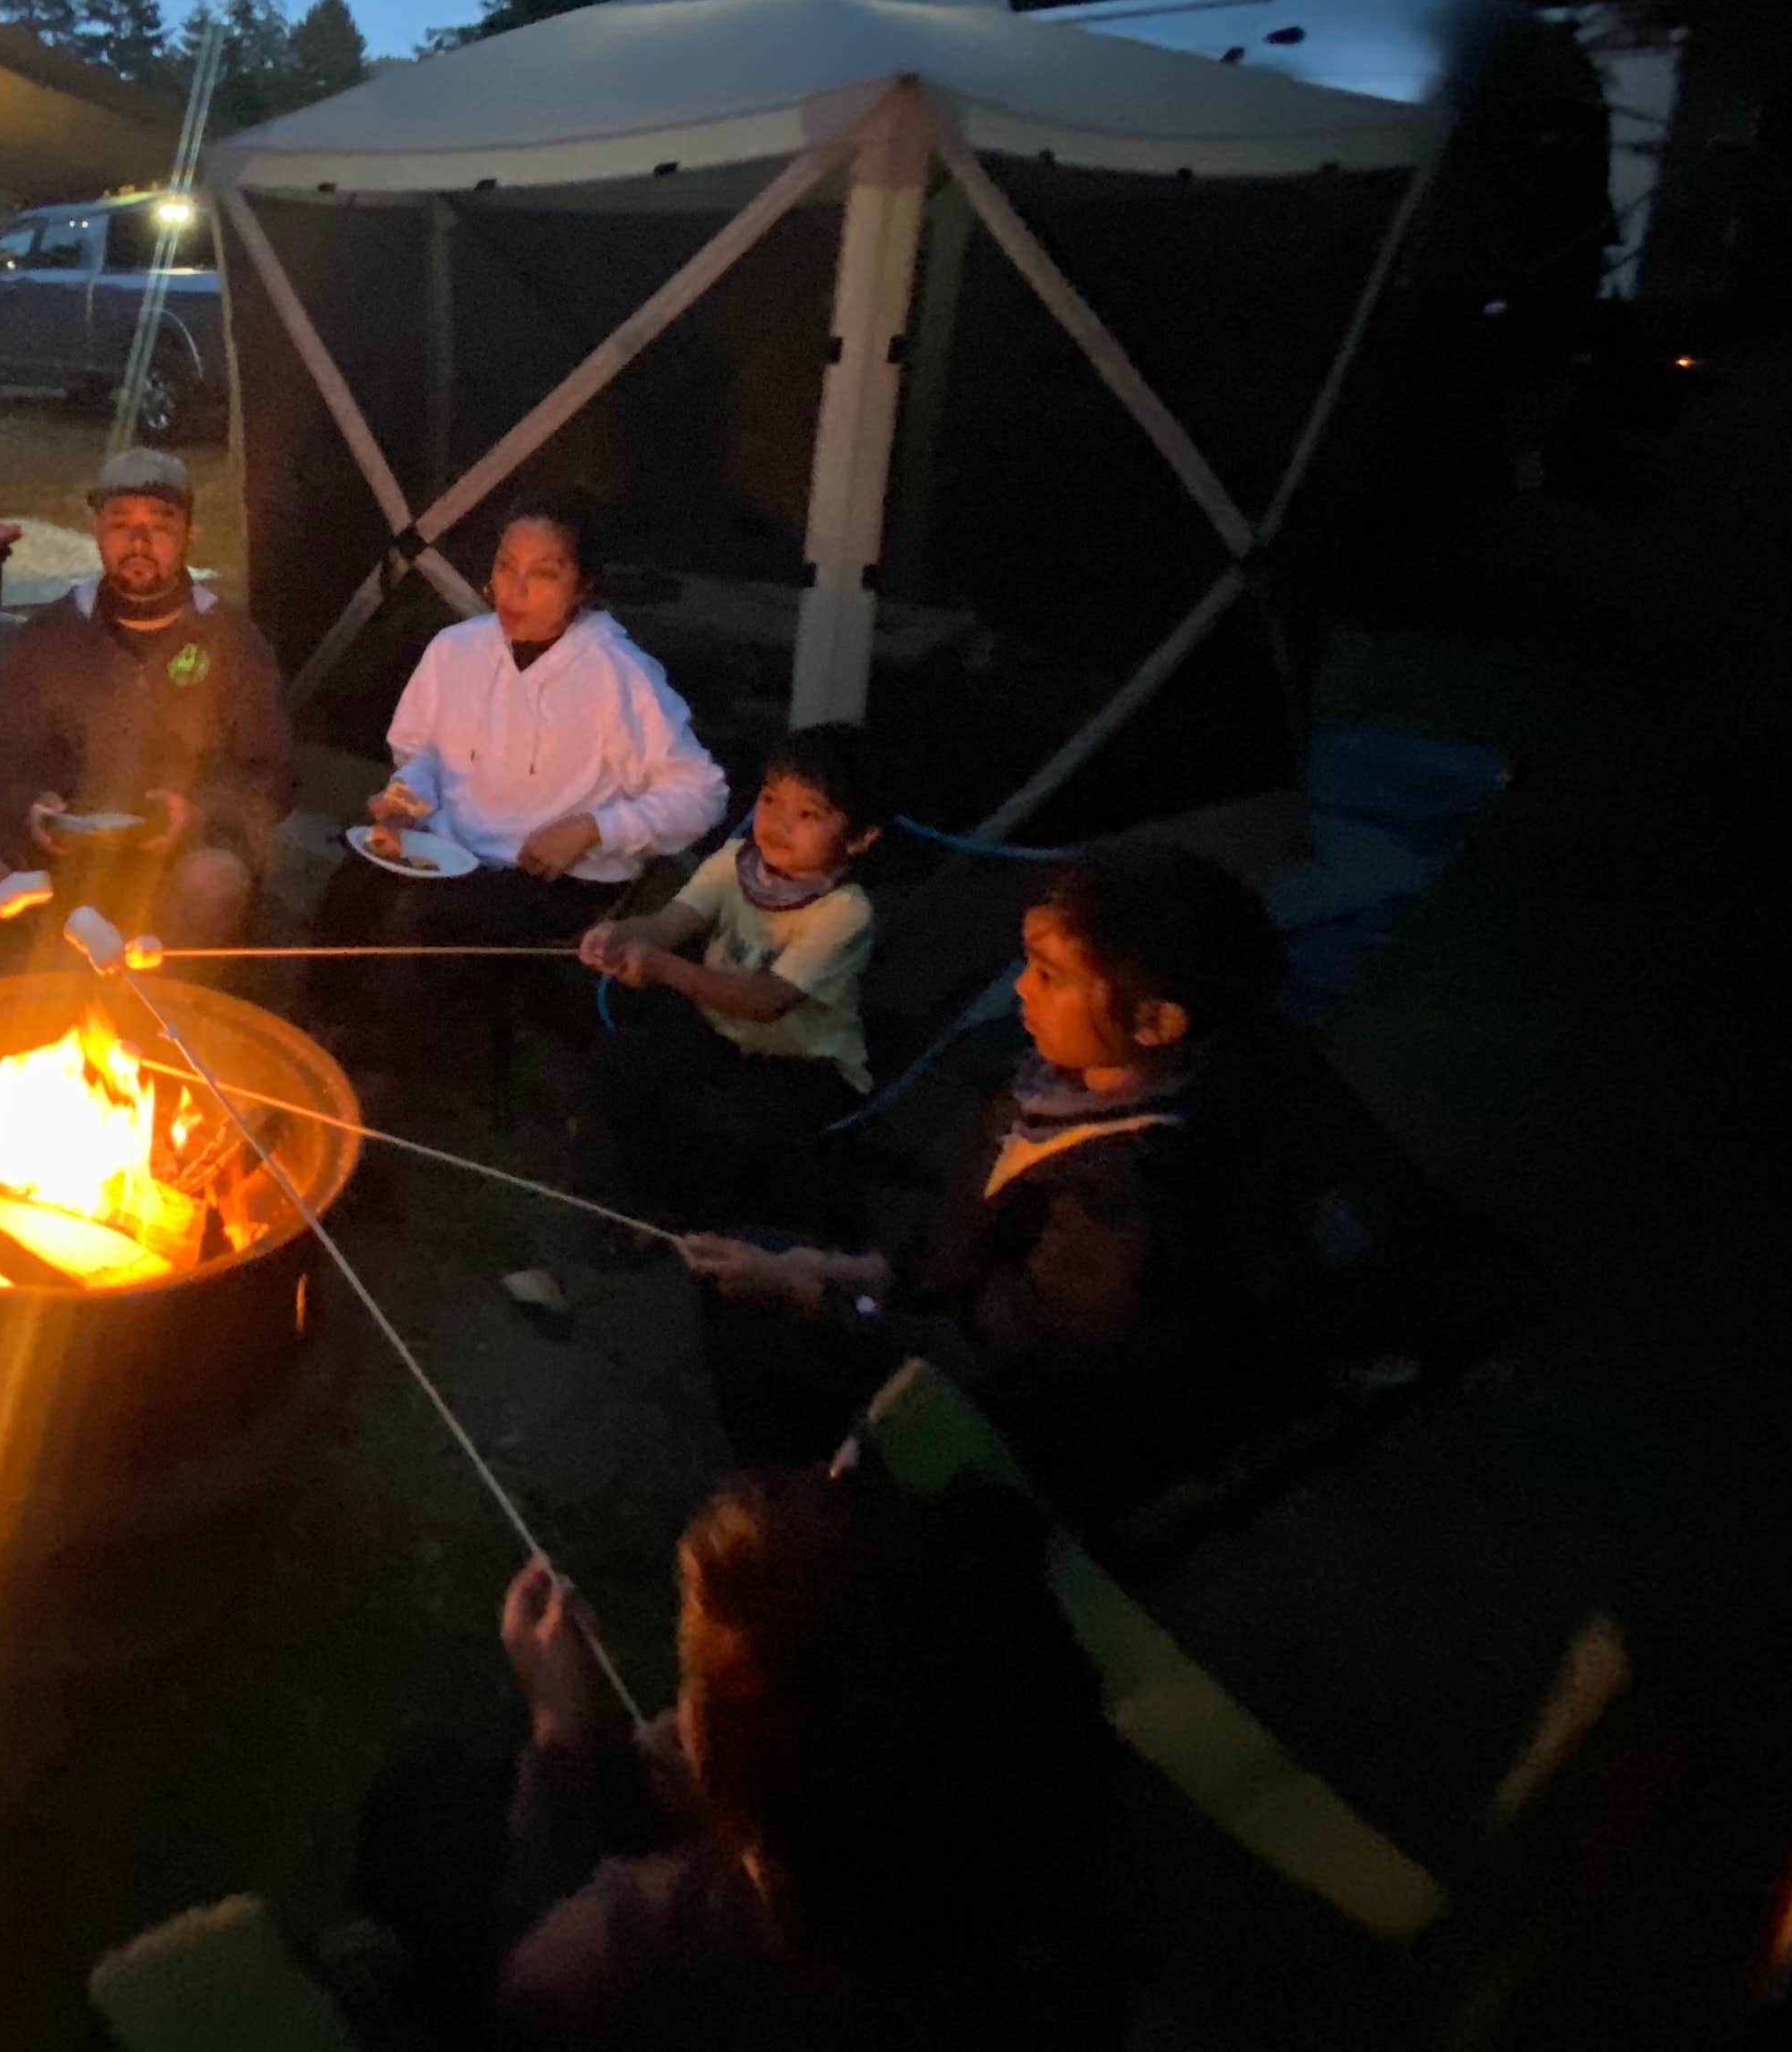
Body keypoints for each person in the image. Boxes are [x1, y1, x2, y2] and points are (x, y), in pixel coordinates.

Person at [371, 1466, 1121, 2047]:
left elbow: (529, 1983)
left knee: (427, 1811)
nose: (674, 1709)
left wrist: (560, 1734)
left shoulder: (640, 1950)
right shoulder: (1036, 1899)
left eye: (697, 1687)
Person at [682, 839, 1317, 1518]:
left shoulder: (1121, 1213)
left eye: (1048, 975)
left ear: (1154, 1021)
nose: (1020, 986)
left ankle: (818, 1521)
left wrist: (819, 1296)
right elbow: (955, 1234)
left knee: (761, 1326)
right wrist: (839, 1267)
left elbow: (984, 1367)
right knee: (766, 1240)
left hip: (1004, 1429)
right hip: (957, 1322)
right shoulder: (1066, 1084)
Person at [314, 497, 727, 1041]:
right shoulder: (456, 650)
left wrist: (593, 829)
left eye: (544, 574)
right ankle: (319, 1042)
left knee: (418, 918)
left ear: (583, 587)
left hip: (552, 877)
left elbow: (702, 794)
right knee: (351, 888)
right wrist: (406, 800)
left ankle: (400, 1068)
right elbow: (423, 755)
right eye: (506, 566)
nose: (515, 589)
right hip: (451, 850)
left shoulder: (617, 674)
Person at [0, 444, 290, 950]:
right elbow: (5, 754)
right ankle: (13, 1014)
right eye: (119, 522)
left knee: (214, 881)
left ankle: (176, 1012)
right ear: (97, 531)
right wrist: (31, 807)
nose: (139, 540)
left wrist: (197, 811)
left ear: (189, 534)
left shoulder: (231, 640)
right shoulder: (50, 635)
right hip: (63, 843)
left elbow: (272, 775)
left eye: (160, 522)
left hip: (182, 842)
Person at [577, 723, 882, 1225]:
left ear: (860, 839)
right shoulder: (734, 863)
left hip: (805, 1065)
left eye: (806, 814)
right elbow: (671, 923)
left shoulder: (846, 913)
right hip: (719, 1032)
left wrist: (660, 966)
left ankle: (698, 1222)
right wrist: (622, 934)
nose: (778, 825)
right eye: (770, 800)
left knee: (724, 1122)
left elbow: (765, 1000)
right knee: (622, 1061)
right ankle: (645, 1191)